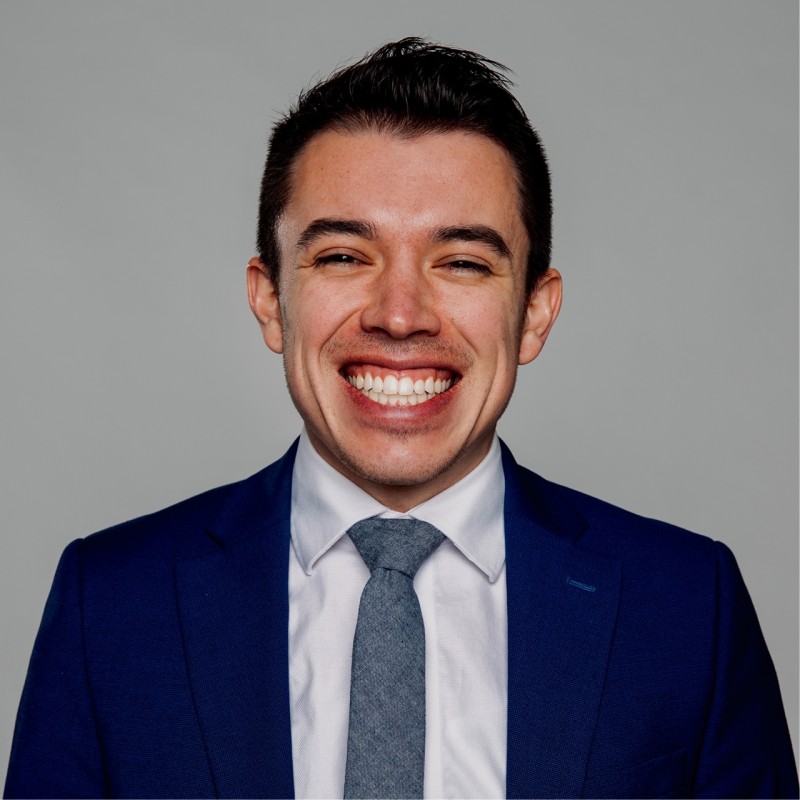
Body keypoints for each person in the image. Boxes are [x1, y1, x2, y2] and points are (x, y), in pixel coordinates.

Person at [4, 37, 797, 800]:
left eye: (463, 262)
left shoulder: (687, 607)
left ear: (534, 314)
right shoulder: (111, 604)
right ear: (270, 299)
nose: (400, 313)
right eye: (344, 256)